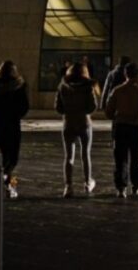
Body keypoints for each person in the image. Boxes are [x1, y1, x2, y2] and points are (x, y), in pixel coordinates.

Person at [0, 60, 30, 199]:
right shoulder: (19, 86)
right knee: (13, 158)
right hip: (13, 124)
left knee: (6, 155)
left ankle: (9, 183)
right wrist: (15, 114)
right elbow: (24, 106)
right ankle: (8, 180)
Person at [55, 61, 99, 198]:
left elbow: (58, 108)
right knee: (86, 154)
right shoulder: (88, 87)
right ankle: (87, 182)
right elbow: (92, 107)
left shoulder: (63, 86)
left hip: (68, 123)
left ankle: (68, 186)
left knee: (69, 156)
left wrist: (68, 110)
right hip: (84, 123)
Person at [105, 62, 138, 198]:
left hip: (120, 125)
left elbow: (109, 111)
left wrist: (117, 116)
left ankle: (121, 187)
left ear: (125, 74)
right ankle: (136, 184)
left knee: (120, 158)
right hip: (135, 126)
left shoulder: (117, 90)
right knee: (135, 156)